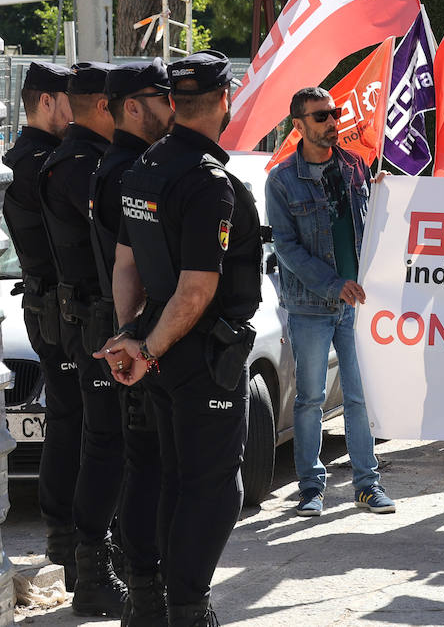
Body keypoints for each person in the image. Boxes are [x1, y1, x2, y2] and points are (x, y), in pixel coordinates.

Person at [97, 51, 264, 627]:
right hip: (196, 353)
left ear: (172, 102)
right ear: (225, 100)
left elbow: (125, 266)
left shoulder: (144, 167)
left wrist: (132, 334)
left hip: (159, 349)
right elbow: (195, 292)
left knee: (164, 475)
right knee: (211, 487)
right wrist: (143, 348)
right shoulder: (207, 182)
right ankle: (187, 609)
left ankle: (147, 601)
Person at [266, 87, 396, 518]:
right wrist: (332, 284)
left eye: (334, 113)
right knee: (310, 399)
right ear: (298, 125)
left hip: (356, 305)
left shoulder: (355, 166)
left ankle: (367, 485)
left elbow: (370, 227)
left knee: (360, 397)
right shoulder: (281, 180)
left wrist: (384, 195)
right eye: (321, 116)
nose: (332, 122)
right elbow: (286, 247)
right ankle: (310, 489)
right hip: (310, 306)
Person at [36, 61, 127, 615]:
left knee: (112, 441)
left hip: (100, 319)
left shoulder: (92, 159)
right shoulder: (77, 165)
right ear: (101, 106)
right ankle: (91, 569)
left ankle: (104, 559)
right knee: (104, 441)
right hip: (92, 322)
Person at [90, 59, 176, 626]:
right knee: (148, 467)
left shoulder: (120, 165)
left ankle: (143, 587)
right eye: (161, 97)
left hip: (129, 333)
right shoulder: (131, 171)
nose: (172, 106)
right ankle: (145, 593)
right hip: (136, 337)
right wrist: (136, 337)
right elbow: (135, 266)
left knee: (141, 464)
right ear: (132, 107)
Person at [1, 62, 77, 584]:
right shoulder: (38, 164)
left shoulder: (21, 159)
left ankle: (66, 538)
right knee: (73, 426)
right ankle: (69, 540)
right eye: (71, 100)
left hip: (45, 305)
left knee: (69, 424)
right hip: (56, 307)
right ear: (47, 101)